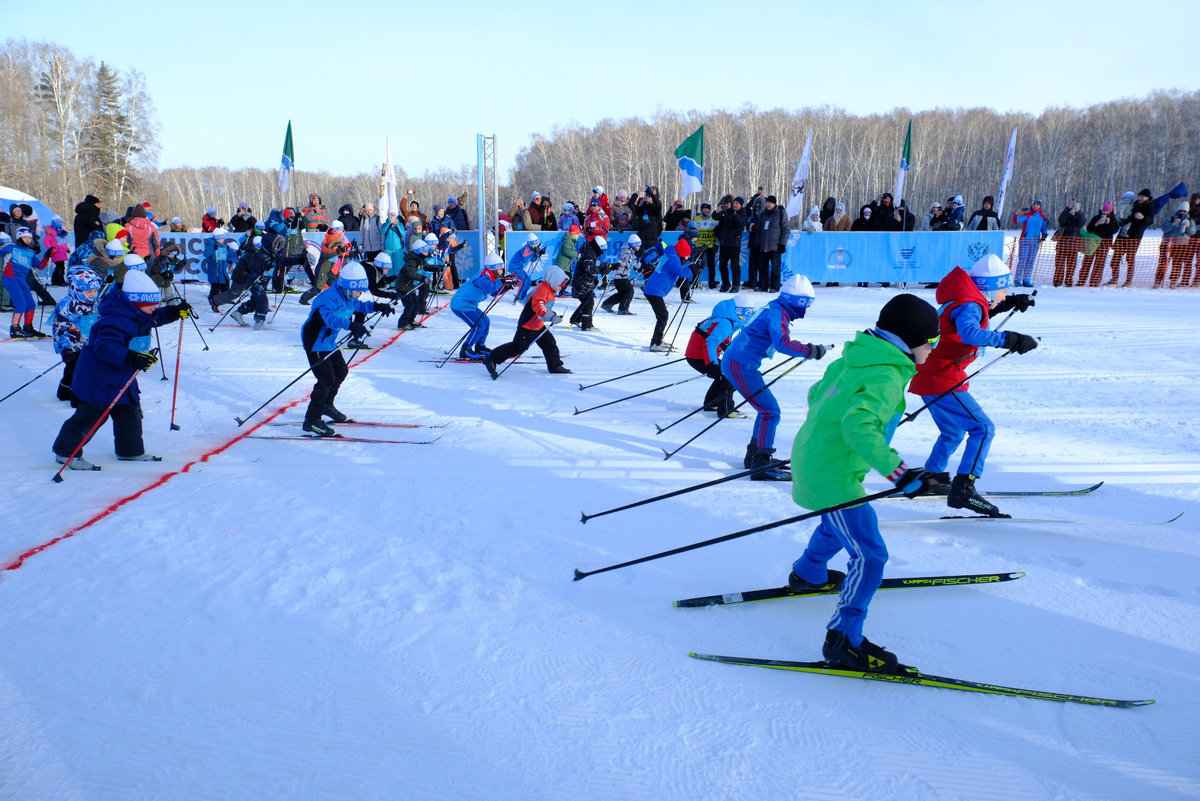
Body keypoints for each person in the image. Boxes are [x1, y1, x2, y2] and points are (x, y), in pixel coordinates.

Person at [786, 293, 941, 674]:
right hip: (834, 476)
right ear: (910, 341)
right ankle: (844, 639)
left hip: (812, 455)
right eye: (932, 342)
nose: (933, 350)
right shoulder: (887, 374)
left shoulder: (858, 356)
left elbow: (818, 395)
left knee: (834, 522)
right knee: (870, 555)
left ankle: (807, 574)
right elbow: (858, 426)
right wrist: (900, 474)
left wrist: (880, 417)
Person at [908, 255, 1037, 517]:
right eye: (1003, 291)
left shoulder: (963, 298)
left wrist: (1009, 303)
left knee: (953, 432)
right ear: (989, 287)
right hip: (943, 378)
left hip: (932, 374)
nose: (1003, 296)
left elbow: (970, 316)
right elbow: (969, 331)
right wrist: (1009, 339)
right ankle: (964, 488)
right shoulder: (970, 304)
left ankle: (932, 478)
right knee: (983, 428)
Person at [51, 271, 191, 469]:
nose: (155, 308)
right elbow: (105, 346)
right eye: (151, 305)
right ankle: (66, 453)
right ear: (135, 303)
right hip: (99, 378)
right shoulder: (116, 320)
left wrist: (172, 312)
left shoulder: (135, 313)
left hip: (120, 376)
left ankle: (130, 451)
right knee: (91, 417)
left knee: (129, 414)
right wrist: (133, 357)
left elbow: (150, 318)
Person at [721, 275, 826, 480]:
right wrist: (810, 350)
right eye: (804, 306)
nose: (805, 312)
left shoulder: (777, 308)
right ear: (796, 303)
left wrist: (808, 350)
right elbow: (783, 344)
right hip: (740, 365)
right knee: (770, 411)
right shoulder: (778, 312)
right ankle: (761, 463)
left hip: (741, 362)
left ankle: (755, 455)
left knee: (765, 410)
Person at [298, 261, 392, 436]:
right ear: (349, 287)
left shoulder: (347, 296)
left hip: (327, 340)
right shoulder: (329, 298)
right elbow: (329, 319)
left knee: (340, 371)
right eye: (359, 291)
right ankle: (312, 419)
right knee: (326, 378)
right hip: (315, 341)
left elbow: (359, 306)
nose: (360, 294)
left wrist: (378, 306)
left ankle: (327, 405)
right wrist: (351, 325)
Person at [482, 264, 573, 378]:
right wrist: (551, 316)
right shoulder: (542, 290)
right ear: (553, 280)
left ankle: (555, 366)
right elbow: (538, 306)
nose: (563, 286)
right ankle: (491, 359)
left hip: (538, 325)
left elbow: (544, 306)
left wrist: (552, 314)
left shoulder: (548, 289)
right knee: (517, 348)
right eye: (561, 283)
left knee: (550, 344)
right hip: (528, 326)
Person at [685, 293, 756, 420]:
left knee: (724, 374)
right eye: (745, 315)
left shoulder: (724, 317)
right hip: (701, 356)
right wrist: (712, 364)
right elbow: (710, 342)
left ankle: (713, 403)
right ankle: (726, 409)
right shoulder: (726, 323)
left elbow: (716, 338)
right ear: (738, 312)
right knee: (731, 375)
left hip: (697, 354)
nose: (746, 319)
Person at [52, 266, 102, 402]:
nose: (93, 294)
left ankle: (63, 392)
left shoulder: (96, 303)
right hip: (72, 346)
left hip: (89, 344)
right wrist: (65, 348)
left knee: (73, 370)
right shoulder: (67, 306)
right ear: (77, 289)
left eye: (95, 291)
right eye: (89, 291)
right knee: (78, 371)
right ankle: (78, 399)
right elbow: (60, 328)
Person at [450, 252, 512, 360]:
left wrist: (506, 287)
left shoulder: (491, 276)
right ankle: (466, 350)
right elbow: (488, 288)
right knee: (479, 326)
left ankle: (480, 346)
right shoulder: (484, 276)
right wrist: (502, 281)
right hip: (461, 305)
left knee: (486, 322)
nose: (502, 271)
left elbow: (493, 292)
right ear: (494, 268)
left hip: (470, 305)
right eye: (501, 269)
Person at [643, 238, 694, 351]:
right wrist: (695, 269)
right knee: (663, 316)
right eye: (686, 256)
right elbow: (681, 272)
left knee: (662, 316)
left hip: (653, 289)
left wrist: (693, 266)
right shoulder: (673, 259)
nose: (687, 258)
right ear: (682, 254)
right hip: (654, 291)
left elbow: (681, 268)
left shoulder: (671, 255)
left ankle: (658, 340)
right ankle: (655, 343)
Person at [213, 237, 274, 329]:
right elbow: (252, 266)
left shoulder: (254, 251)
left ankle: (239, 312)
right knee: (234, 293)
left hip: (249, 278)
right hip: (241, 277)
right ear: (254, 245)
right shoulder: (251, 253)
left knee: (257, 298)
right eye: (258, 246)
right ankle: (215, 300)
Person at [2, 228, 47, 337]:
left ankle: (28, 327)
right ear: (19, 237)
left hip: (22, 280)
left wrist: (47, 256)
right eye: (25, 237)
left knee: (31, 304)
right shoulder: (11, 247)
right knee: (20, 304)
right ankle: (15, 328)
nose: (28, 240)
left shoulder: (31, 252)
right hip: (10, 277)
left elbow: (40, 266)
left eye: (30, 238)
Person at [1111, 188, 1154, 286]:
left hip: (1135, 236)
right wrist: (1122, 221)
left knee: (1130, 259)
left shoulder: (1149, 207)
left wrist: (1143, 218)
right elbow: (1128, 216)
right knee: (1115, 258)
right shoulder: (1134, 204)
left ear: (1147, 198)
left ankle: (1128, 281)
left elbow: (1151, 221)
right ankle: (1114, 279)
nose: (1140, 198)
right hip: (1123, 234)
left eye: (1142, 197)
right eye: (1139, 196)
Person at [569, 235, 607, 331]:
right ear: (597, 247)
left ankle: (576, 319)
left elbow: (596, 264)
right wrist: (603, 270)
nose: (602, 252)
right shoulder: (589, 255)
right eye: (601, 250)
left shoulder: (591, 252)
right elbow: (590, 268)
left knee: (586, 302)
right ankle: (587, 325)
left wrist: (608, 266)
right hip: (582, 283)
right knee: (588, 302)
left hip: (584, 283)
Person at [1081, 201, 1120, 286]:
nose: (1105, 212)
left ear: (1110, 211)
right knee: (1087, 261)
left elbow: (1112, 231)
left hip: (1104, 244)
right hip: (1092, 243)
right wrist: (1097, 223)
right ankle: (1082, 280)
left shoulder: (1113, 220)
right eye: (1104, 210)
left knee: (1099, 263)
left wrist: (1108, 223)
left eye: (1107, 211)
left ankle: (1094, 282)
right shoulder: (1096, 218)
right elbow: (1089, 229)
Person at [396, 239, 433, 330]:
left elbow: (427, 267)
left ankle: (411, 320)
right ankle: (402, 323)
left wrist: (439, 267)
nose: (427, 252)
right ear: (420, 251)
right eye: (425, 251)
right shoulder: (412, 261)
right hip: (403, 286)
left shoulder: (420, 259)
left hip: (410, 286)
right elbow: (410, 273)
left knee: (416, 304)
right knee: (410, 305)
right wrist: (422, 278)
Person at [1158, 201, 1196, 288]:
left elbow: (1192, 232)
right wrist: (1174, 223)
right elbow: (1164, 228)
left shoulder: (1190, 220)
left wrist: (1188, 226)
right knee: (1162, 263)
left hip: (1181, 245)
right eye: (1180, 211)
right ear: (1177, 211)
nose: (1181, 213)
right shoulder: (1171, 218)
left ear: (1187, 212)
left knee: (1177, 264)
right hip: (1166, 244)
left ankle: (1174, 280)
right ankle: (1158, 280)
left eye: (1184, 211)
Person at [756, 195, 789, 292]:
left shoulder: (781, 213)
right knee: (762, 267)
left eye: (769, 203)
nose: (767, 204)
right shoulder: (763, 214)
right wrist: (757, 244)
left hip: (775, 246)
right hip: (763, 246)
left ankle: (775, 286)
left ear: (774, 203)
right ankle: (763, 285)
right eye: (766, 202)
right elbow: (759, 230)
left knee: (775, 268)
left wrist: (783, 244)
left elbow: (786, 229)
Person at [1012, 200, 1049, 286]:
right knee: (1022, 261)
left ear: (1040, 207)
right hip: (1025, 240)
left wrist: (1044, 235)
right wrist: (1016, 213)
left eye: (1037, 205)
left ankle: (1026, 280)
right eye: (1034, 205)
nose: (1035, 206)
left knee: (1030, 262)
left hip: (1035, 242)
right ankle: (1017, 280)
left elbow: (1044, 229)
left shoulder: (1043, 217)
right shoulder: (1027, 215)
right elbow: (1017, 221)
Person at [714, 196, 747, 292]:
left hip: (734, 243)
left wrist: (734, 214)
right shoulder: (727, 212)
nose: (735, 205)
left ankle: (736, 285)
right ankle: (725, 283)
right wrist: (718, 210)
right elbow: (715, 217)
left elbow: (741, 223)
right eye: (734, 203)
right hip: (724, 242)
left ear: (741, 205)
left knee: (734, 265)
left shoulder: (742, 213)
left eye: (737, 203)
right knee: (722, 265)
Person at [600, 234, 640, 315]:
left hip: (621, 276)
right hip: (621, 276)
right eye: (638, 245)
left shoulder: (630, 251)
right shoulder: (627, 252)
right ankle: (623, 309)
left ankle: (607, 304)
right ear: (634, 245)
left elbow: (634, 264)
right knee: (629, 291)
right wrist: (636, 259)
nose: (639, 247)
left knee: (622, 293)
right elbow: (627, 263)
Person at [1054, 199, 1087, 286]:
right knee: (1059, 264)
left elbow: (1082, 221)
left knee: (1071, 265)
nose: (1072, 213)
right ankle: (1057, 281)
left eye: (1074, 211)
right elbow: (1061, 220)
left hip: (1074, 245)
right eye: (1071, 211)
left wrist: (1078, 210)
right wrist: (1068, 208)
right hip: (1062, 244)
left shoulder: (1078, 220)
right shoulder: (1065, 218)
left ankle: (1068, 280)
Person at [509, 233, 547, 301]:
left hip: (520, 268)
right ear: (531, 243)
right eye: (536, 243)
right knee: (524, 281)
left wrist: (539, 254)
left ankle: (523, 296)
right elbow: (524, 257)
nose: (537, 245)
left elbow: (533, 260)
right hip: (515, 267)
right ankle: (518, 297)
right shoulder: (526, 248)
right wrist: (534, 252)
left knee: (529, 281)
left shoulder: (532, 249)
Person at [42, 218, 71, 286]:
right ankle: (60, 280)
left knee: (60, 266)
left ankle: (56, 280)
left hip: (62, 251)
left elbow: (63, 242)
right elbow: (46, 241)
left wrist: (67, 249)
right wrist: (51, 248)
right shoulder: (51, 232)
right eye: (59, 222)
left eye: (61, 222)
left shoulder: (61, 232)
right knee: (60, 266)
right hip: (56, 251)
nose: (60, 224)